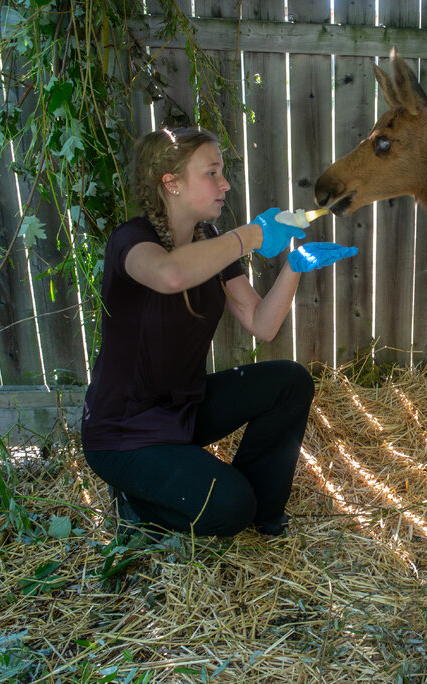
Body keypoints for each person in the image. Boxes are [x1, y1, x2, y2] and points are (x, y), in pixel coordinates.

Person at [81, 126, 356, 538]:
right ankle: (139, 502)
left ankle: (259, 509)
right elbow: (170, 273)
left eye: (222, 172)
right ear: (170, 183)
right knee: (228, 508)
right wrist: (251, 235)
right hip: (126, 432)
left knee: (290, 382)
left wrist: (293, 267)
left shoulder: (207, 239)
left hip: (182, 409)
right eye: (211, 173)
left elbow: (261, 323)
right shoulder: (130, 242)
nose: (224, 184)